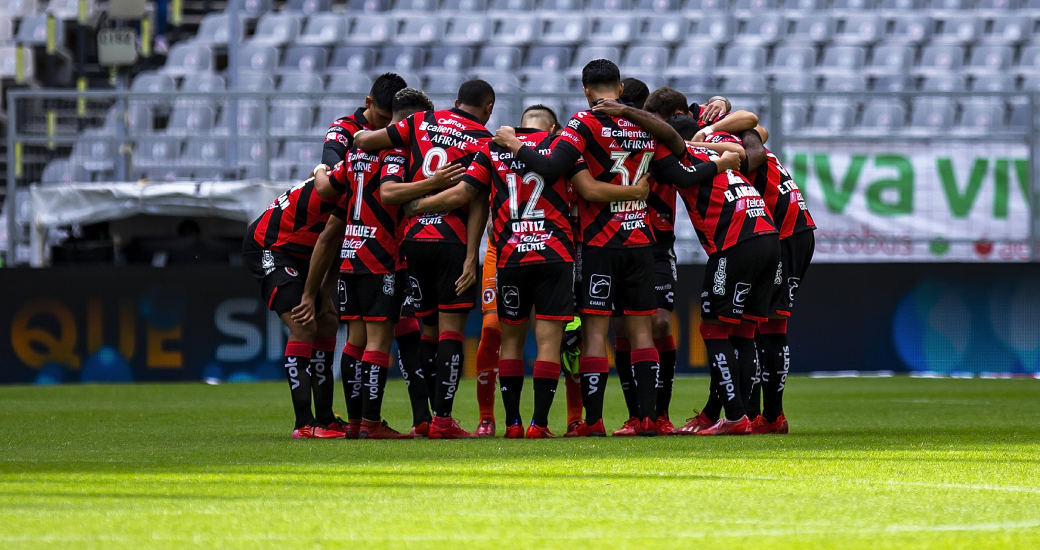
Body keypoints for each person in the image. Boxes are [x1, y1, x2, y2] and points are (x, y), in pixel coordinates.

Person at [495, 59, 734, 436]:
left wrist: (512, 143)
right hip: (640, 241)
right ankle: (649, 418)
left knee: (595, 334)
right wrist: (720, 166)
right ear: (620, 89)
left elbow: (552, 167)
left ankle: (593, 422)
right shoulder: (643, 126)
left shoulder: (583, 123)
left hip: (599, 243)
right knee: (642, 333)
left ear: (587, 91)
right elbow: (680, 174)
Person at [403, 103, 652, 438]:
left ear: (519, 128)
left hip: (511, 256)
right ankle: (540, 424)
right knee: (550, 342)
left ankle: (512, 424)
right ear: (551, 129)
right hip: (555, 254)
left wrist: (418, 205)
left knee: (510, 342)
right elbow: (587, 190)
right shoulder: (564, 147)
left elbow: (464, 193)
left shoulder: (493, 148)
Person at [296, 89, 458, 439]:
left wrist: (320, 167)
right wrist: (433, 184)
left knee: (354, 341)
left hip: (351, 254)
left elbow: (328, 186)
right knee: (378, 343)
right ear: (414, 119)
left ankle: (355, 423)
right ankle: (370, 423)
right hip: (381, 255)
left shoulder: (357, 152)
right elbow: (389, 192)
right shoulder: (395, 151)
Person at [352, 80, 496, 439]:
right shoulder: (483, 138)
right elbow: (476, 200)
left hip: (413, 240)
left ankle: (426, 418)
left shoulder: (420, 123)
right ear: (488, 107)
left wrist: (392, 136)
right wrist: (469, 258)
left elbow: (363, 141)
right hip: (451, 239)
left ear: (455, 100)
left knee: (427, 331)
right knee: (451, 332)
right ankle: (442, 421)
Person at [242, 165, 351, 439]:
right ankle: (303, 423)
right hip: (270, 247)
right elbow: (327, 241)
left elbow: (339, 249)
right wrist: (309, 296)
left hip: (301, 252)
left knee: (327, 322)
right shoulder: (345, 191)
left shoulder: (348, 182)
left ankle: (325, 418)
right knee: (304, 325)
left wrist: (323, 296)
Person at [322, 73, 408, 168]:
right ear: (368, 103)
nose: (388, 124)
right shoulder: (346, 126)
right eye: (383, 117)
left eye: (393, 118)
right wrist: (342, 168)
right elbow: (330, 153)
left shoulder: (406, 128)